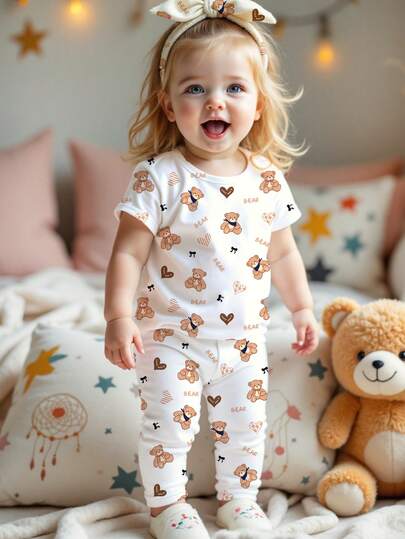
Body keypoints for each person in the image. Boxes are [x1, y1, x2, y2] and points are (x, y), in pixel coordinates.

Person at [104, 0, 320, 537]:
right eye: (195, 88)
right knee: (166, 428)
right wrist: (117, 317)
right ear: (169, 105)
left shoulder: (266, 178)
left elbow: (283, 252)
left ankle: (238, 500)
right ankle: (167, 506)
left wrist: (302, 308)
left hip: (244, 337)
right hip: (171, 336)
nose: (214, 101)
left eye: (234, 88)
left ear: (258, 105)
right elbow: (127, 253)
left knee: (244, 429)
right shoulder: (159, 177)